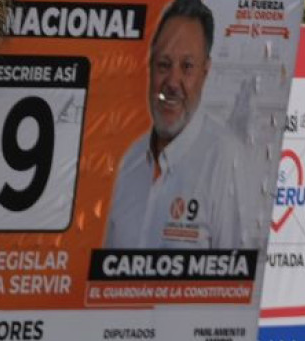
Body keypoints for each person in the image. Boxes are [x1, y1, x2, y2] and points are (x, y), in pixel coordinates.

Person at [104, 0, 264, 253]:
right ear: (150, 68)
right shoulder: (131, 162)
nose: (172, 82)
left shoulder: (225, 158)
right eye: (164, 65)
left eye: (187, 67)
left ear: (205, 72)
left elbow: (236, 282)